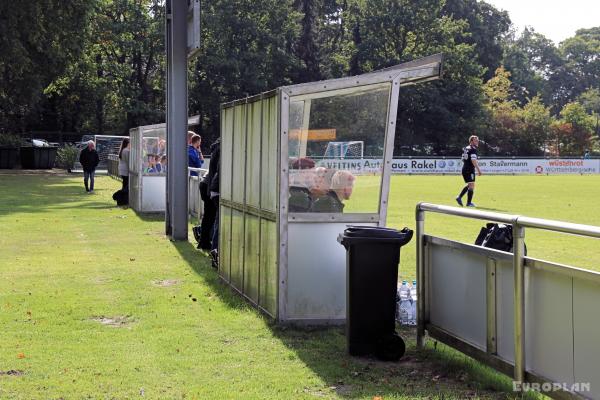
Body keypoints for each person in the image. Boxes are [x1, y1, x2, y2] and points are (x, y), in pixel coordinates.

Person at [198, 138, 220, 251]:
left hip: (206, 184)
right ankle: (212, 246)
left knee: (208, 217)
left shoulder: (216, 148)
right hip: (211, 185)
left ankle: (204, 241)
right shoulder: (222, 149)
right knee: (214, 217)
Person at [456, 135, 482, 207]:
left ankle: (459, 197)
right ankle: (468, 203)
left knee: (470, 185)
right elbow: (473, 160)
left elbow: (463, 159)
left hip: (465, 168)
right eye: (475, 140)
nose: (477, 142)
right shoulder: (473, 149)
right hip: (469, 169)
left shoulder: (466, 148)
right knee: (472, 186)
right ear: (471, 141)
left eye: (478, 140)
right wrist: (478, 170)